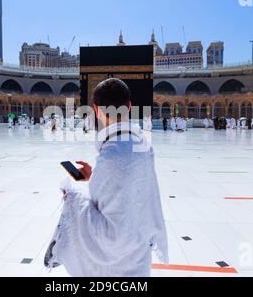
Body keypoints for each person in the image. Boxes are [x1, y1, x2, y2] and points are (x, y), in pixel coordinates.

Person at [47, 78, 168, 277]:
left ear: (96, 109)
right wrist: (94, 176)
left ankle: (59, 248)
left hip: (115, 258)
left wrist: (74, 193)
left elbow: (98, 203)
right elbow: (130, 190)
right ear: (129, 107)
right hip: (138, 252)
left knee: (72, 193)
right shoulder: (143, 145)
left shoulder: (111, 152)